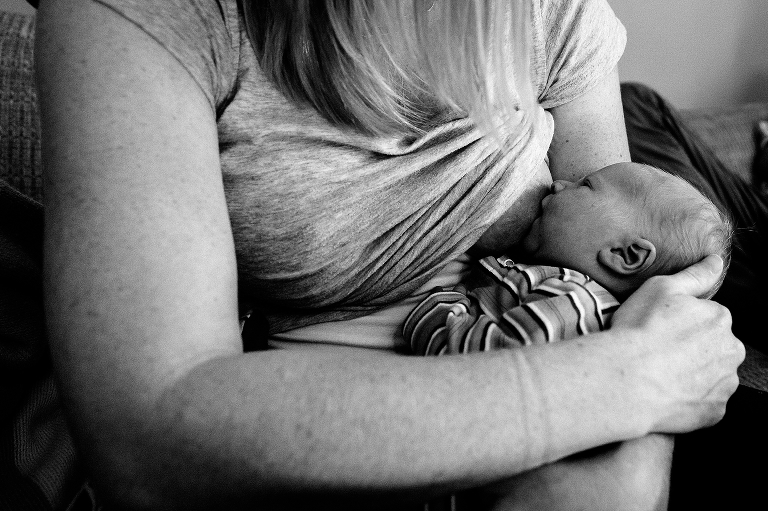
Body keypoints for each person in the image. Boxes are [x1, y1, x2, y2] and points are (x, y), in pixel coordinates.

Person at [32, 0, 743, 509]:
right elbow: (152, 441)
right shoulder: (152, 21)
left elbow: (624, 283)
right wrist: (616, 388)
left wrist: (622, 463)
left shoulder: (543, 13)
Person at [405, 162, 733, 355]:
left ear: (624, 253)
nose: (559, 184)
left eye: (586, 185)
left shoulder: (571, 303)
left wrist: (435, 305)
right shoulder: (557, 286)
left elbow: (477, 367)